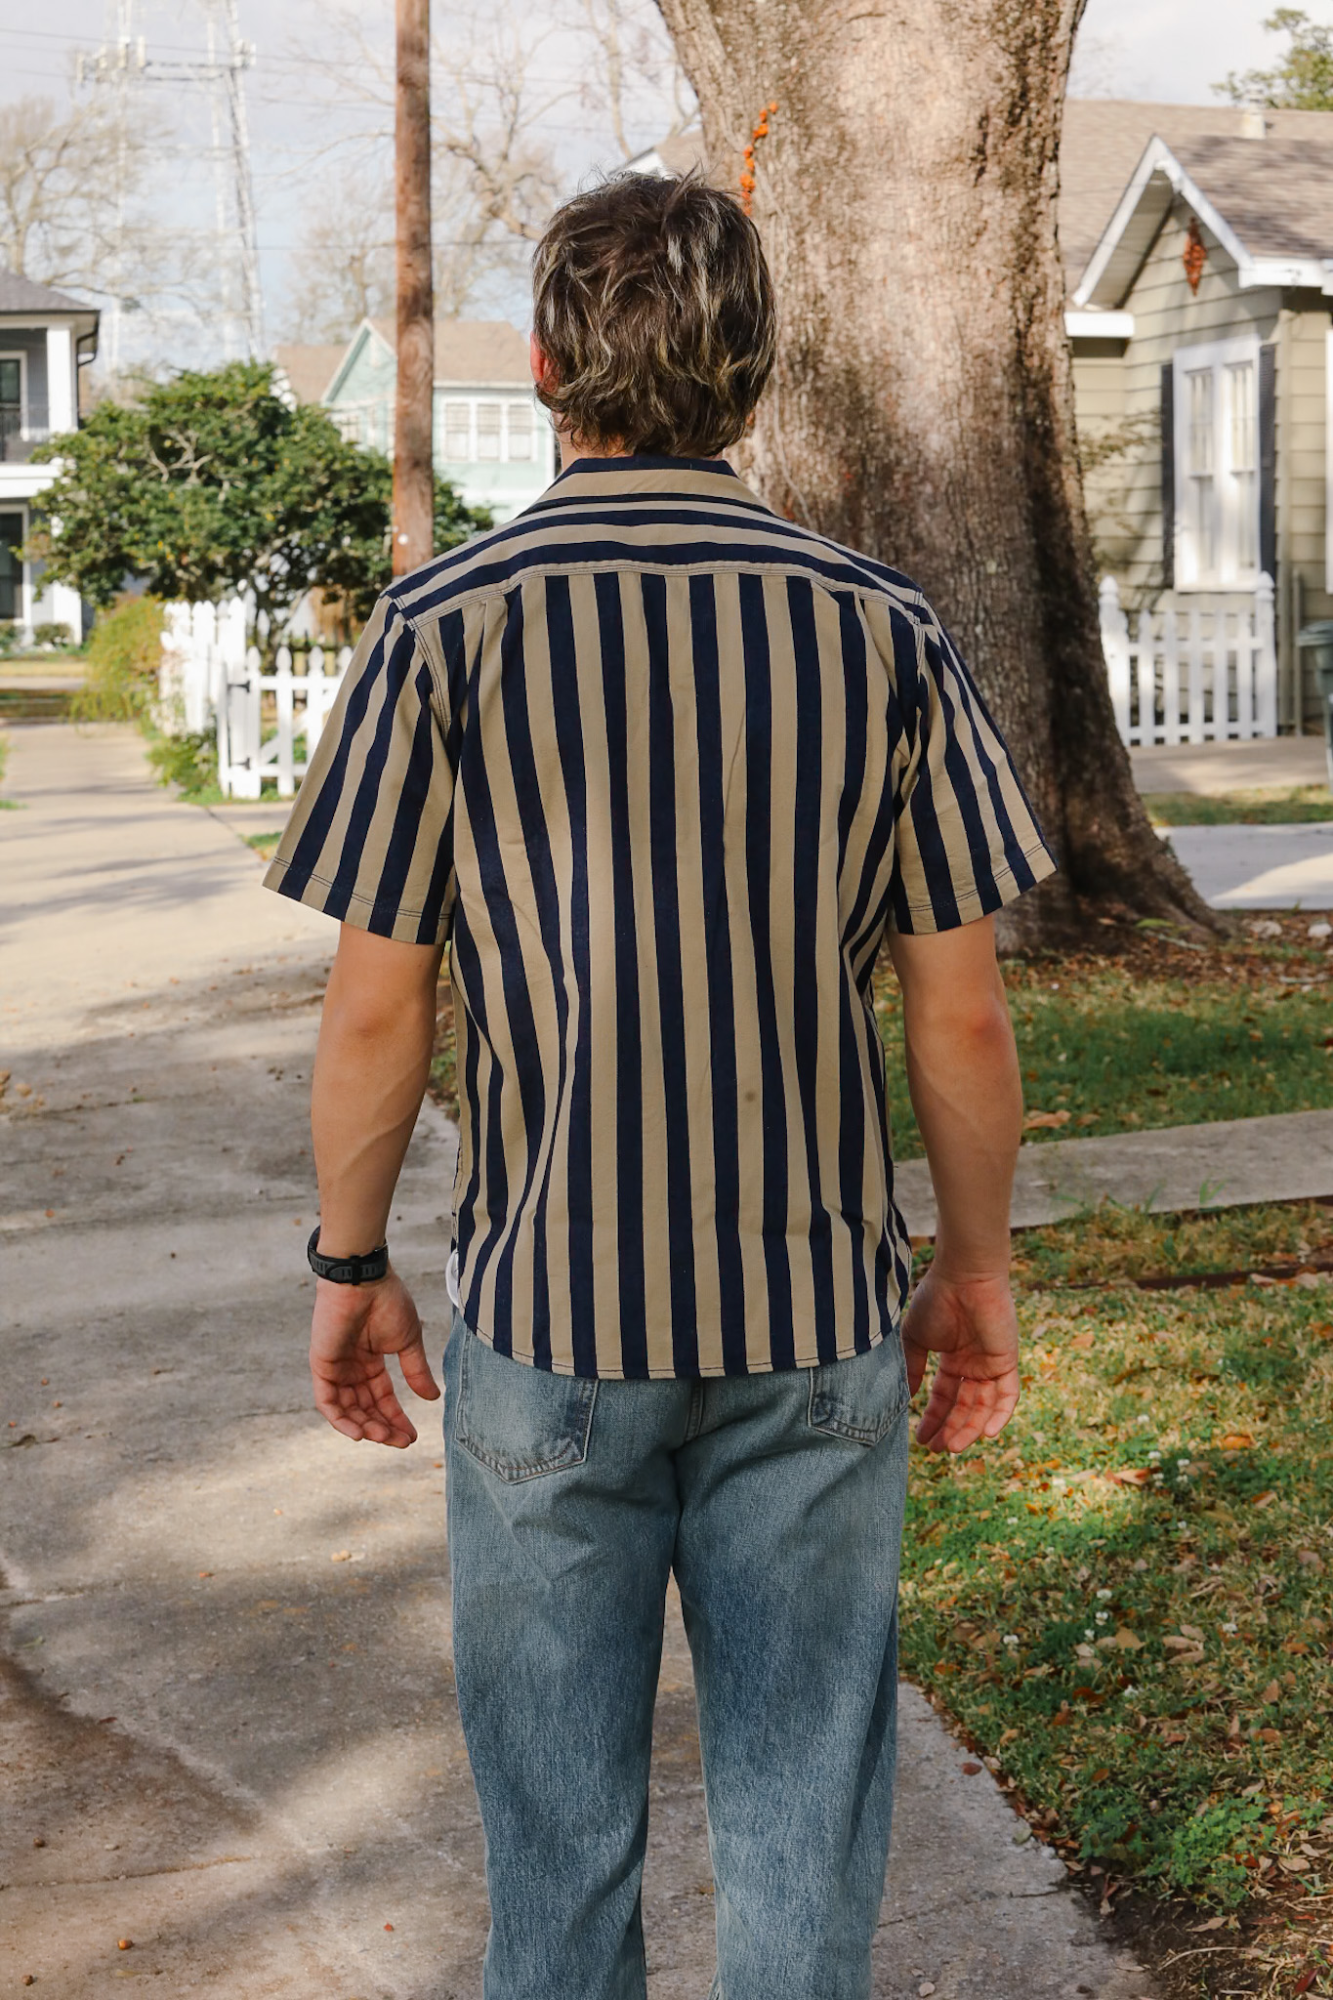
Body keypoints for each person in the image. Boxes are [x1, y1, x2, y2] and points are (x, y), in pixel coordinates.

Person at [265, 171, 1056, 2000]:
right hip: (813, 1332)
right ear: (756, 375)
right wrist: (979, 1271)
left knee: (555, 1868)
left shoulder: (443, 627)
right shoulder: (884, 630)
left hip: (549, 1330)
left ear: (545, 364)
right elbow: (961, 1020)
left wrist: (346, 1260)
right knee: (802, 1847)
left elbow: (382, 1012)